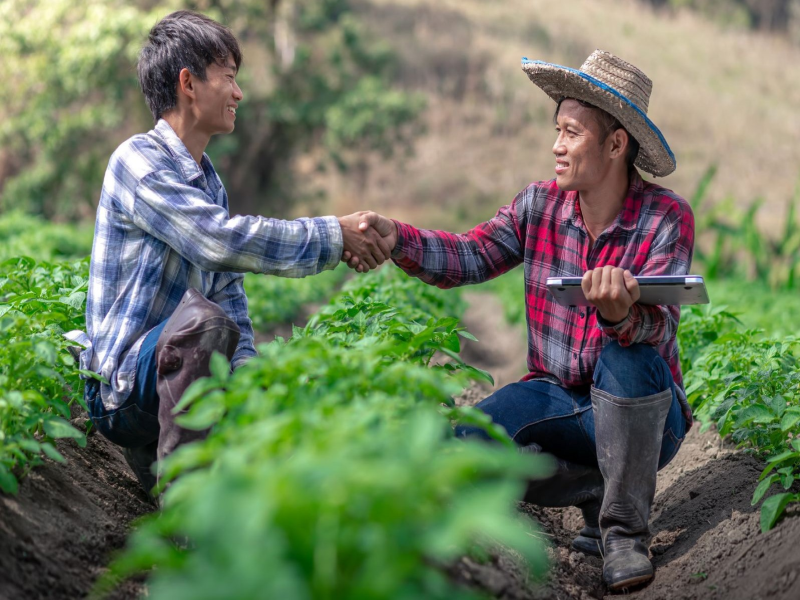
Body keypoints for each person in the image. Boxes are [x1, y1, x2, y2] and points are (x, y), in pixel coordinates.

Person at [343, 50, 695, 591]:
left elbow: (663, 328)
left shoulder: (664, 218)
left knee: (626, 355)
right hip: (554, 397)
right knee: (461, 441)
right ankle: (590, 488)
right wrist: (398, 239)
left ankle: (622, 532)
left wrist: (623, 315)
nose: (556, 146)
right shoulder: (538, 207)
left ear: (616, 144)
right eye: (556, 130)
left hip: (644, 410)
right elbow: (470, 254)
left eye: (571, 133)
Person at [72, 10, 391, 502]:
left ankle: (183, 464)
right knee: (204, 323)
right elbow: (217, 242)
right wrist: (333, 235)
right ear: (188, 84)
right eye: (229, 78)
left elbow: (230, 294)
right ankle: (187, 508)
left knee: (231, 339)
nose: (239, 93)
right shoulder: (137, 161)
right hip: (122, 387)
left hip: (167, 375)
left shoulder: (208, 181)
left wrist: (252, 385)